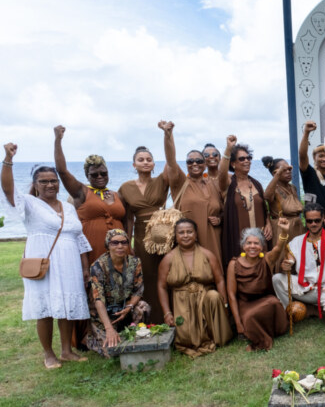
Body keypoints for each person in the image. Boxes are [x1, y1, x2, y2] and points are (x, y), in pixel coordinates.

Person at [2, 143, 91, 369]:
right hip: (45, 262)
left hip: (69, 263)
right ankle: (48, 354)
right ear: (35, 184)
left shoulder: (68, 207)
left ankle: (66, 351)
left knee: (66, 307)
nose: (50, 184)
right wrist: (8, 160)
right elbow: (8, 190)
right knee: (45, 309)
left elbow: (79, 238)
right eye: (44, 181)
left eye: (53, 180)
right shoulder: (30, 204)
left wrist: (84, 266)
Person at [118, 123, 172, 323]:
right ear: (134, 165)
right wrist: (129, 243)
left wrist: (167, 135)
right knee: (147, 278)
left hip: (163, 232)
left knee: (166, 275)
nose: (145, 162)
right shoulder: (125, 187)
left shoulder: (161, 180)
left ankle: (170, 316)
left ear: (154, 163)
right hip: (140, 236)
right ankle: (150, 320)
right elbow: (128, 218)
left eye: (149, 159)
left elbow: (171, 161)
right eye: (141, 160)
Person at [158, 218, 232, 357]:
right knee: (186, 339)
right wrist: (167, 313)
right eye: (181, 232)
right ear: (176, 236)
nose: (186, 235)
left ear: (196, 234)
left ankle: (218, 337)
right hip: (181, 302)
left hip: (205, 297)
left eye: (189, 232)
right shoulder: (168, 259)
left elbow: (220, 280)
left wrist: (225, 304)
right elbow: (161, 287)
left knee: (214, 296)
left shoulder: (207, 254)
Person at [53, 126, 126, 265]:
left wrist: (128, 245)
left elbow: (128, 221)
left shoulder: (117, 195)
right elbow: (62, 171)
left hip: (120, 250)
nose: (100, 177)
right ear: (87, 175)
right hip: (92, 250)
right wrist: (58, 140)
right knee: (93, 284)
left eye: (104, 173)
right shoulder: (82, 192)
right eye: (94, 174)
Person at [161, 121, 224, 266]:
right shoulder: (181, 183)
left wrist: (220, 219)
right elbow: (171, 160)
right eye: (190, 161)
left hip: (213, 240)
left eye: (199, 161)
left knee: (213, 272)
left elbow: (222, 209)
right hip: (186, 240)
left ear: (205, 163)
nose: (194, 164)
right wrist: (168, 135)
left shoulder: (213, 184)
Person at [272, 203, 325, 324]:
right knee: (277, 279)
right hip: (305, 286)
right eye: (310, 221)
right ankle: (291, 312)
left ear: (323, 219)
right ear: (305, 221)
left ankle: (319, 311)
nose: (313, 224)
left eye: (317, 220)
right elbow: (290, 259)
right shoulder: (297, 240)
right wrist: (287, 264)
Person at [84, 229, 150, 356]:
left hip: (124, 307)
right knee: (112, 353)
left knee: (143, 307)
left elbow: (138, 290)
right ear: (108, 246)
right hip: (104, 312)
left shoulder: (135, 262)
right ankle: (94, 341)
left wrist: (129, 306)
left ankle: (135, 334)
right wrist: (108, 329)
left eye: (124, 242)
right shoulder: (98, 267)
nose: (120, 246)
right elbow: (99, 301)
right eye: (115, 243)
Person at [227, 226, 288, 352]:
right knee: (250, 317)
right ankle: (259, 337)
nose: (252, 246)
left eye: (256, 243)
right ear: (243, 246)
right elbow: (231, 295)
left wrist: (284, 232)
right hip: (246, 304)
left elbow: (278, 248)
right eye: (249, 243)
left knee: (274, 303)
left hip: (265, 300)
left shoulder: (266, 258)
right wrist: (238, 324)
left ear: (262, 246)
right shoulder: (234, 264)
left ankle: (272, 330)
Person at [218, 135, 271, 267]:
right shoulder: (229, 184)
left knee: (262, 265)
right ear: (233, 163)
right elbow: (221, 173)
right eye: (242, 159)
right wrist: (228, 149)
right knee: (240, 266)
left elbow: (265, 208)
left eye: (249, 158)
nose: (247, 161)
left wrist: (268, 223)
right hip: (238, 236)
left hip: (259, 236)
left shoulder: (256, 184)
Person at [298, 121, 325, 221]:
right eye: (320, 156)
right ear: (314, 157)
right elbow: (302, 156)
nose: (324, 159)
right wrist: (306, 133)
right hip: (314, 224)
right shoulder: (309, 174)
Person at [263, 156, 305, 242]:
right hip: (282, 228)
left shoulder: (292, 188)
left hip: (297, 227)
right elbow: (266, 196)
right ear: (275, 173)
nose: (288, 172)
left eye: (289, 169)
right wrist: (278, 175)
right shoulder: (274, 189)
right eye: (284, 170)